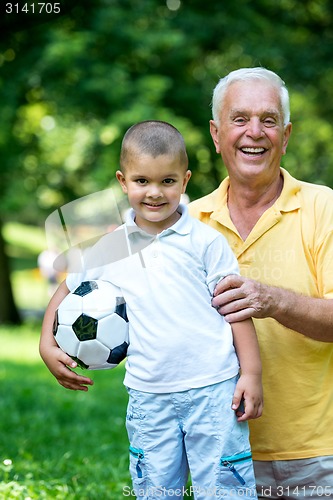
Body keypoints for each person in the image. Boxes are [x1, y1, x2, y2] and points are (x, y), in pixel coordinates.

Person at [40, 120, 263, 499]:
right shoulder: (109, 246)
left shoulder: (206, 243)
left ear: (186, 179)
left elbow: (235, 310)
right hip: (148, 395)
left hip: (213, 390)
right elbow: (66, 290)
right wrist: (47, 345)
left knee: (226, 490)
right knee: (155, 490)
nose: (155, 193)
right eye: (142, 181)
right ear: (123, 181)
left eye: (168, 181)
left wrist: (252, 373)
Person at [188, 68, 333, 498]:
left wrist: (270, 300)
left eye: (268, 120)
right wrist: (51, 336)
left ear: (285, 135)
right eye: (239, 119)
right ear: (216, 134)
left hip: (316, 454)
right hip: (214, 450)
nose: (255, 132)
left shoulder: (324, 207)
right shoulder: (185, 223)